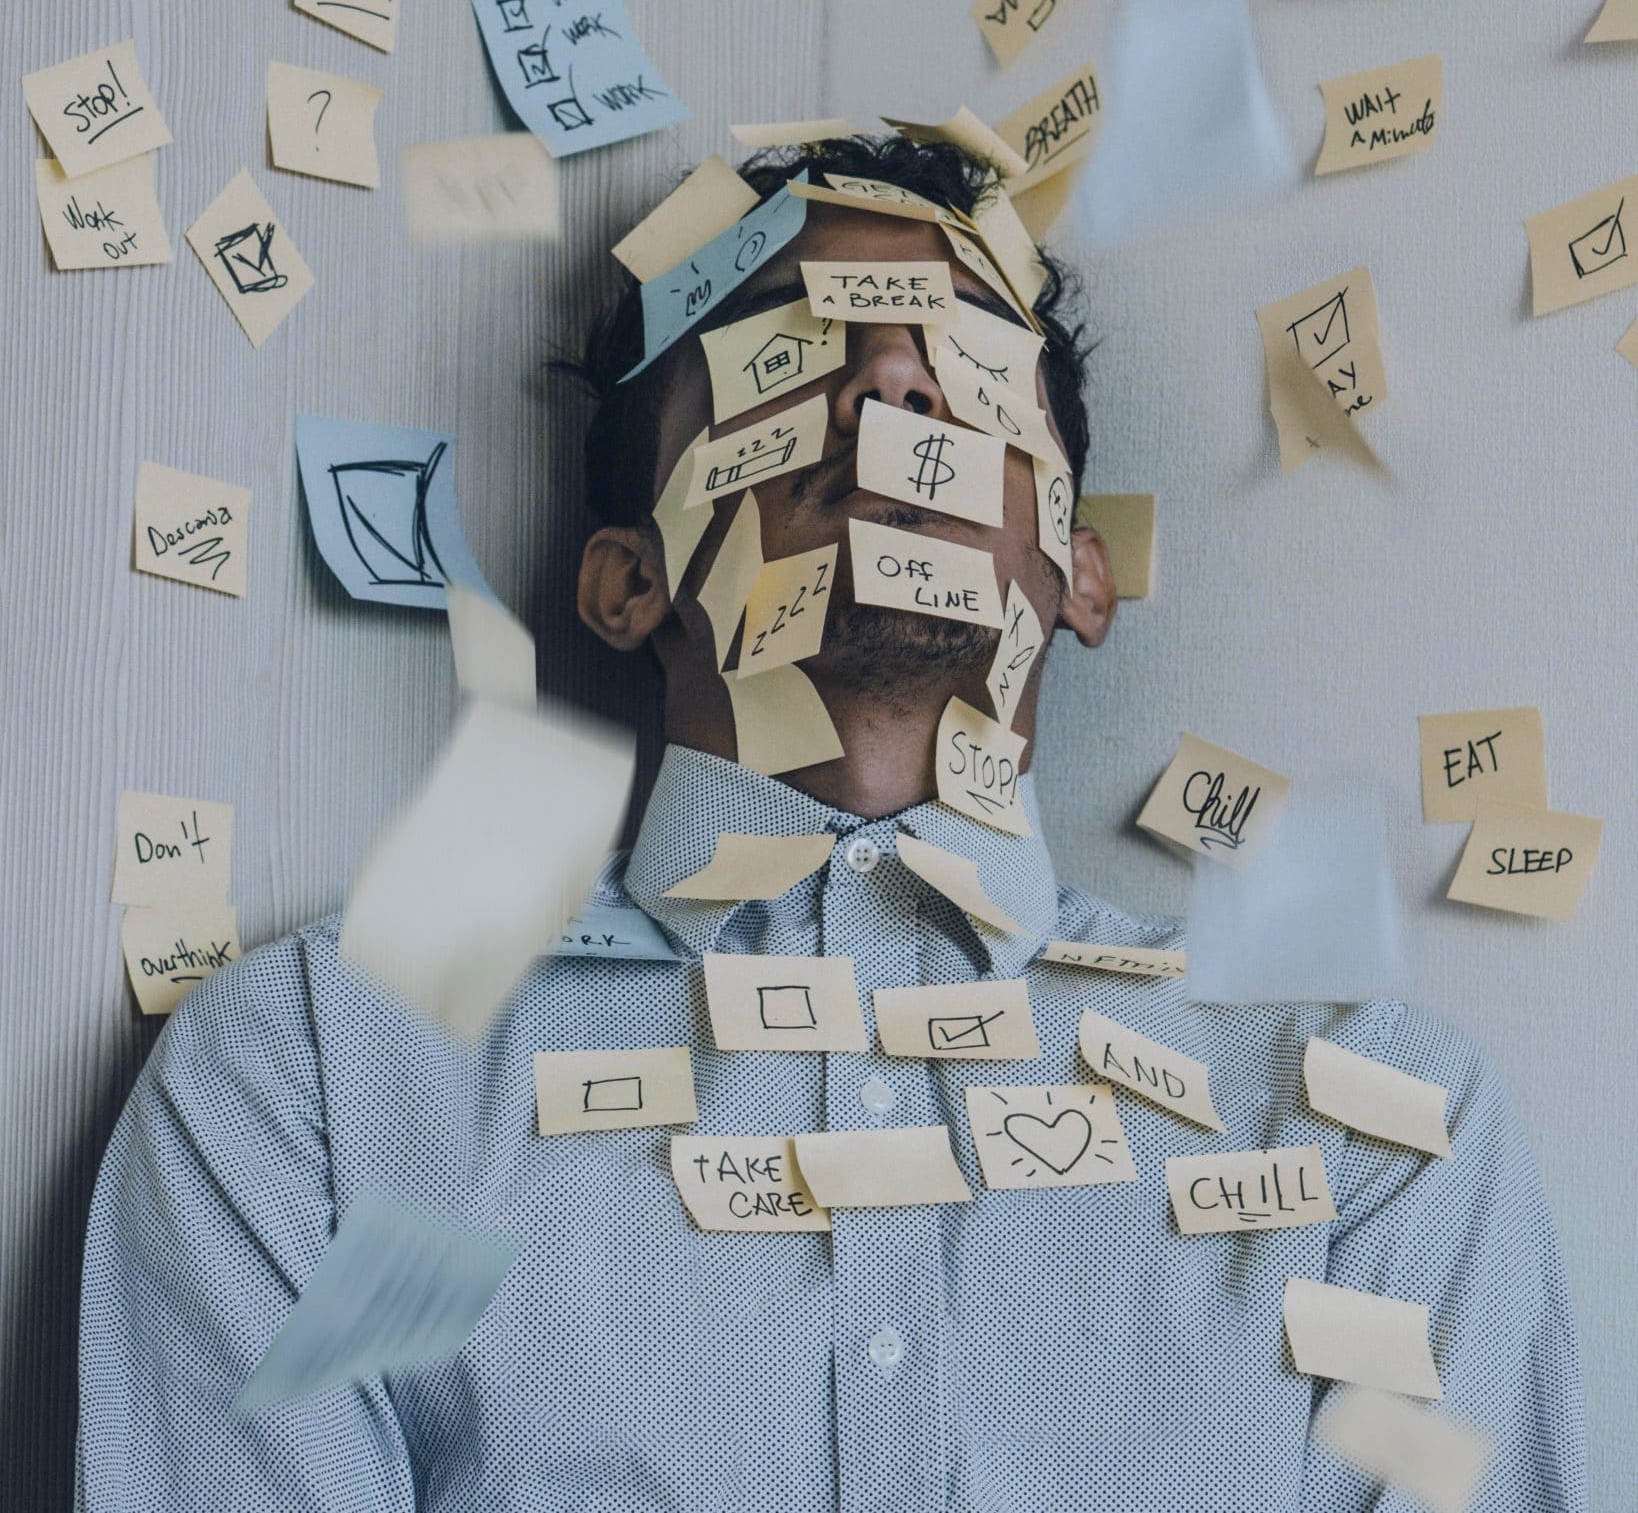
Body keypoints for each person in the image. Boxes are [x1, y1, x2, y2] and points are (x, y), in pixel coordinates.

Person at [76, 135, 1587, 1511]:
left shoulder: (1373, 1128)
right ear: (626, 581)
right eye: (788, 350)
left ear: (1075, 572)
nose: (890, 386)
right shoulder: (321, 1078)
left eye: (965, 364)